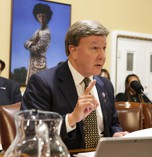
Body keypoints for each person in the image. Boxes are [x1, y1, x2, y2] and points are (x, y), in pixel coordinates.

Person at [21, 20, 128, 150]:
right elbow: (33, 133)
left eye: (104, 48)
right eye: (94, 48)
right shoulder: (42, 82)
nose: (102, 56)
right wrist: (71, 119)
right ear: (74, 51)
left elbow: (113, 124)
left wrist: (117, 134)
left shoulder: (105, 85)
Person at [24, 3, 53, 84]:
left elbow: (36, 49)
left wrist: (30, 44)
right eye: (39, 16)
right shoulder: (38, 31)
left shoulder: (46, 33)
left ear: (47, 17)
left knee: (38, 85)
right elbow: (26, 42)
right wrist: (30, 43)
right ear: (36, 17)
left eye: (44, 16)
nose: (42, 19)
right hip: (33, 63)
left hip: (39, 64)